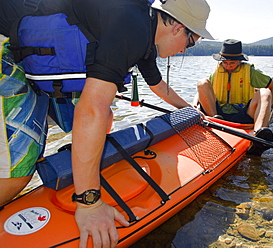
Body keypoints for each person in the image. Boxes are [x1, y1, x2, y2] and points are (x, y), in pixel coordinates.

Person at [0, 0, 214, 247]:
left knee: (106, 117)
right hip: (6, 44)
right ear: (177, 27)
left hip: (25, 52)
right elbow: (90, 111)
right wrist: (89, 201)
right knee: (19, 164)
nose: (186, 50)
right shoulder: (132, 26)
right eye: (191, 41)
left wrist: (193, 113)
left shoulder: (144, 32)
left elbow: (158, 87)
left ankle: (86, 170)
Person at [193, 39, 273, 156]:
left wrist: (269, 108)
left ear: (239, 61)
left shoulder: (251, 72)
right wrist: (194, 104)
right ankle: (215, 122)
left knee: (265, 92)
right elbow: (202, 90)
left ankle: (258, 135)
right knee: (202, 82)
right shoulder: (217, 72)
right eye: (225, 63)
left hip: (243, 113)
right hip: (219, 115)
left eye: (232, 63)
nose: (228, 66)